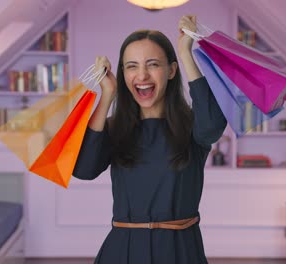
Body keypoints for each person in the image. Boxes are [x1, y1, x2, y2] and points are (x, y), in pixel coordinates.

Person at [73, 15, 226, 264]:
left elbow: (212, 128)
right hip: (123, 252)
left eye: (153, 64)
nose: (142, 75)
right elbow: (84, 169)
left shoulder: (193, 127)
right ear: (123, 75)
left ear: (171, 71)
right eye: (131, 66)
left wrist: (185, 52)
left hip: (181, 251)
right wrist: (107, 95)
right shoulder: (115, 128)